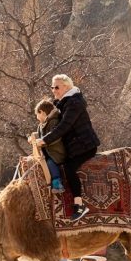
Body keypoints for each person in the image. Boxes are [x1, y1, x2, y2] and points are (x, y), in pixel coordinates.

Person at [34, 74, 100, 221]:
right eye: (52, 87)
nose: (54, 90)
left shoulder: (75, 103)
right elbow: (49, 122)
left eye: (56, 87)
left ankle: (79, 205)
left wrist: (44, 140)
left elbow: (64, 126)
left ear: (67, 87)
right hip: (72, 146)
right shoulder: (60, 103)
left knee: (69, 169)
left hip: (84, 145)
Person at [32, 99, 66, 192]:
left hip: (56, 152)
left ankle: (57, 182)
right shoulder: (41, 125)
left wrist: (43, 141)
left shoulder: (53, 122)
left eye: (37, 115)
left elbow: (55, 136)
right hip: (47, 151)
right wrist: (32, 139)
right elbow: (40, 136)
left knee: (50, 162)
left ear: (42, 112)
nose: (37, 117)